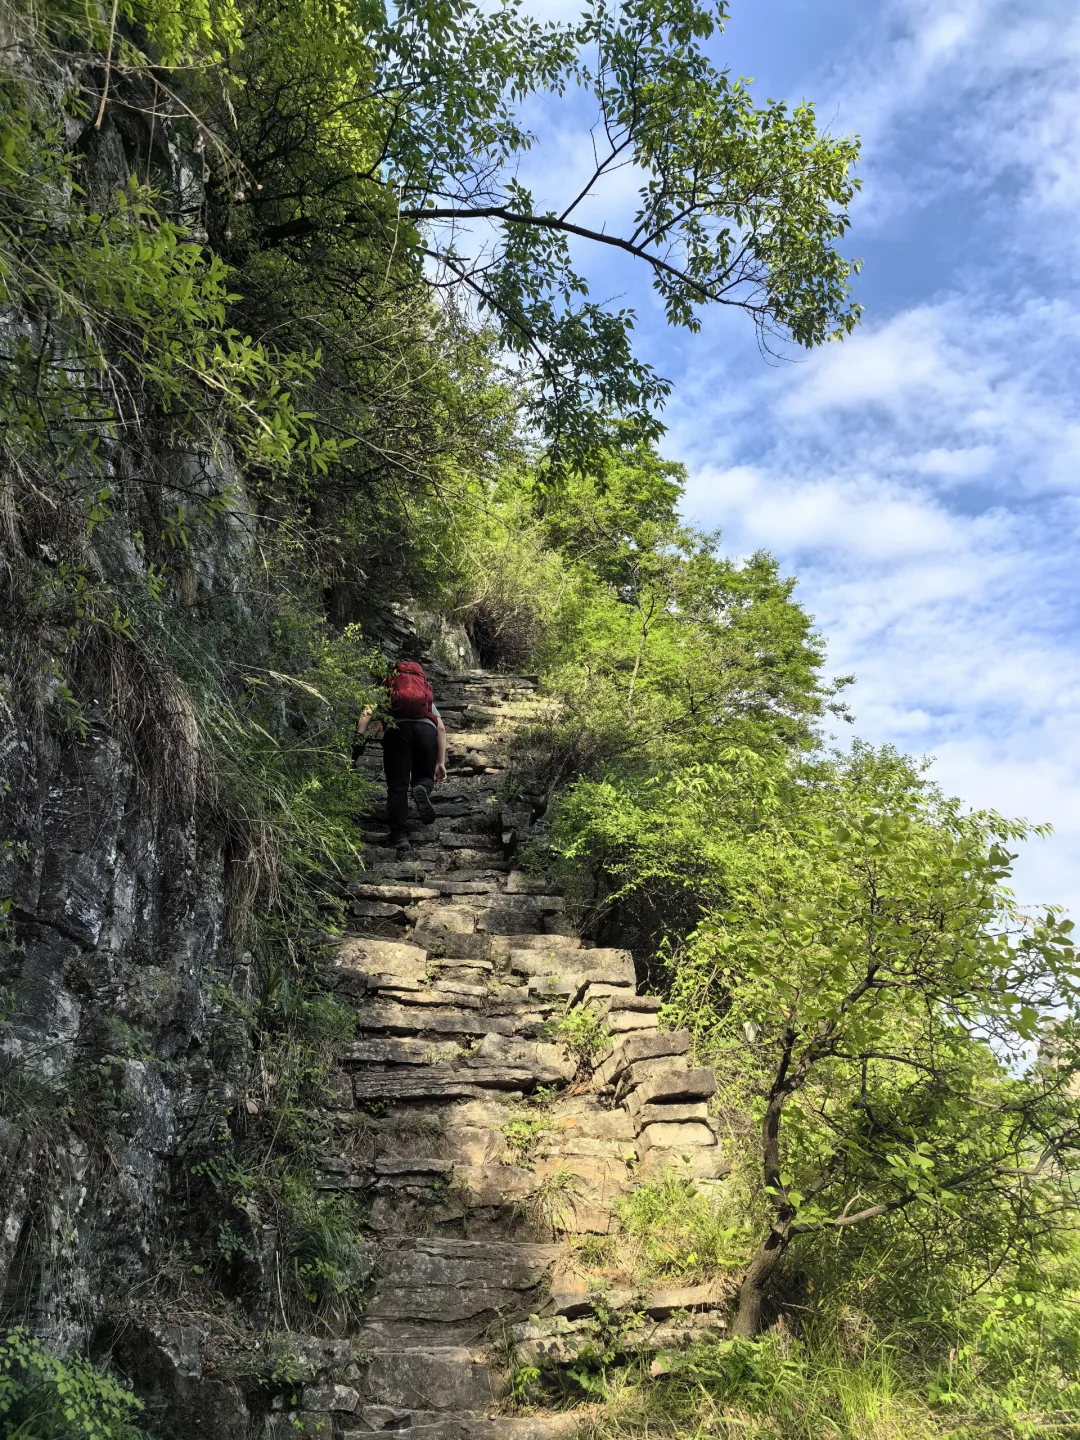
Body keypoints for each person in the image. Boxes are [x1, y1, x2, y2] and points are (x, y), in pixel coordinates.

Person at [354, 659, 447, 851]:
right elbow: (442, 727)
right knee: (424, 776)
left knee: (398, 786)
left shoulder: (388, 687)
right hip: (427, 732)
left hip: (397, 731)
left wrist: (358, 739)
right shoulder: (424, 693)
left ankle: (400, 835)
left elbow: (367, 712)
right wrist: (441, 762)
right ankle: (421, 787)